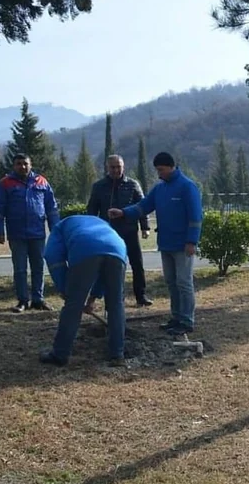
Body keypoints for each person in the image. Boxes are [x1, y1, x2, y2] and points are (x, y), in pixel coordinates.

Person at [108, 152, 203, 336]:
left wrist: (192, 241)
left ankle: (187, 320)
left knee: (184, 283)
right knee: (171, 282)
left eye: (161, 170)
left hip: (183, 245)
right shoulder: (160, 189)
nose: (159, 174)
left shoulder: (187, 187)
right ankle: (176, 318)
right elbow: (143, 206)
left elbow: (196, 217)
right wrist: (123, 213)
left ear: (171, 166)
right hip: (166, 244)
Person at [39, 215, 128, 367]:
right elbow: (102, 270)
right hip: (118, 249)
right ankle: (117, 354)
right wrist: (94, 297)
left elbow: (52, 256)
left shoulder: (60, 227)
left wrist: (65, 289)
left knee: (73, 306)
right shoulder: (100, 223)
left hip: (85, 248)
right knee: (115, 303)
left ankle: (60, 354)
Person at [0, 153, 60, 313]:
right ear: (14, 166)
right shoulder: (5, 183)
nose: (22, 166)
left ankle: (38, 300)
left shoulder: (41, 182)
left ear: (31, 165)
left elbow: (52, 208)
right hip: (17, 234)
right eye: (19, 164)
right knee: (20, 269)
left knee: (38, 267)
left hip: (37, 234)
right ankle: (23, 301)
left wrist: (56, 229)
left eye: (25, 163)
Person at [86, 154, 154, 307]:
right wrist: (91, 231)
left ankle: (141, 295)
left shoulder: (133, 184)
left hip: (129, 230)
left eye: (119, 167)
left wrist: (145, 227)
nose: (116, 170)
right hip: (108, 234)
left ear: (123, 167)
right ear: (107, 168)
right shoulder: (98, 186)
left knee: (137, 264)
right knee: (113, 266)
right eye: (113, 167)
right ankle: (117, 296)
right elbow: (92, 210)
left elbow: (142, 207)